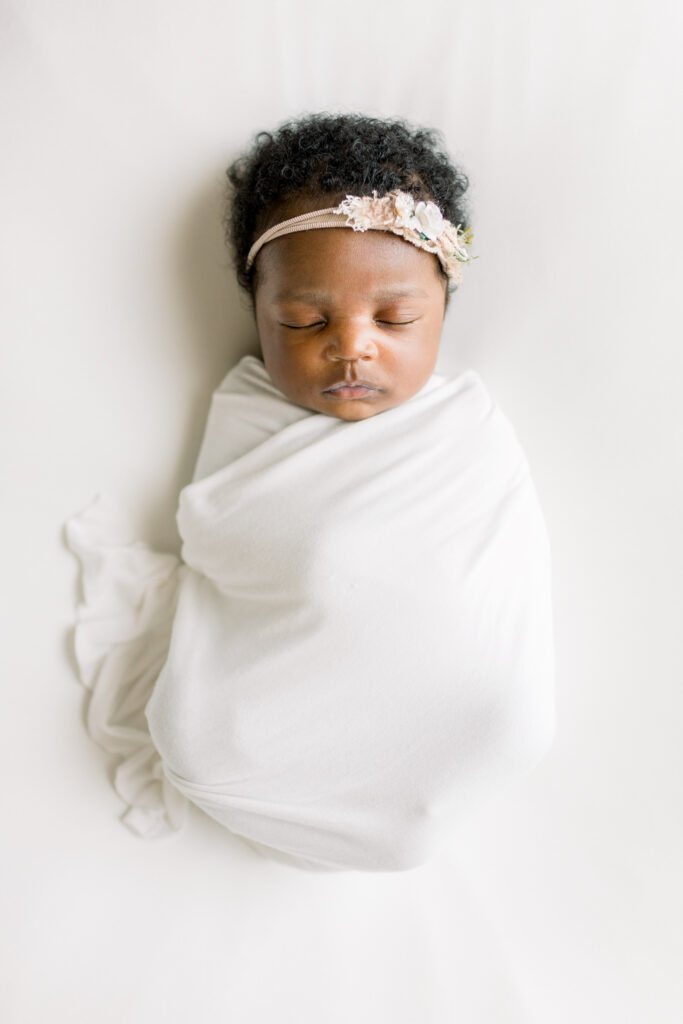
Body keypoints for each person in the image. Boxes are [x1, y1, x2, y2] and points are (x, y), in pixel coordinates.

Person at [64, 112, 556, 873]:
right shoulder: (248, 410)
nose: (351, 343)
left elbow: (492, 574)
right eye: (302, 319)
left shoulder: (463, 430)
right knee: (198, 746)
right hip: (279, 696)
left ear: (442, 310)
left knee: (506, 713)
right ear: (259, 315)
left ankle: (426, 783)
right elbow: (232, 533)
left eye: (394, 318)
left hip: (455, 691)